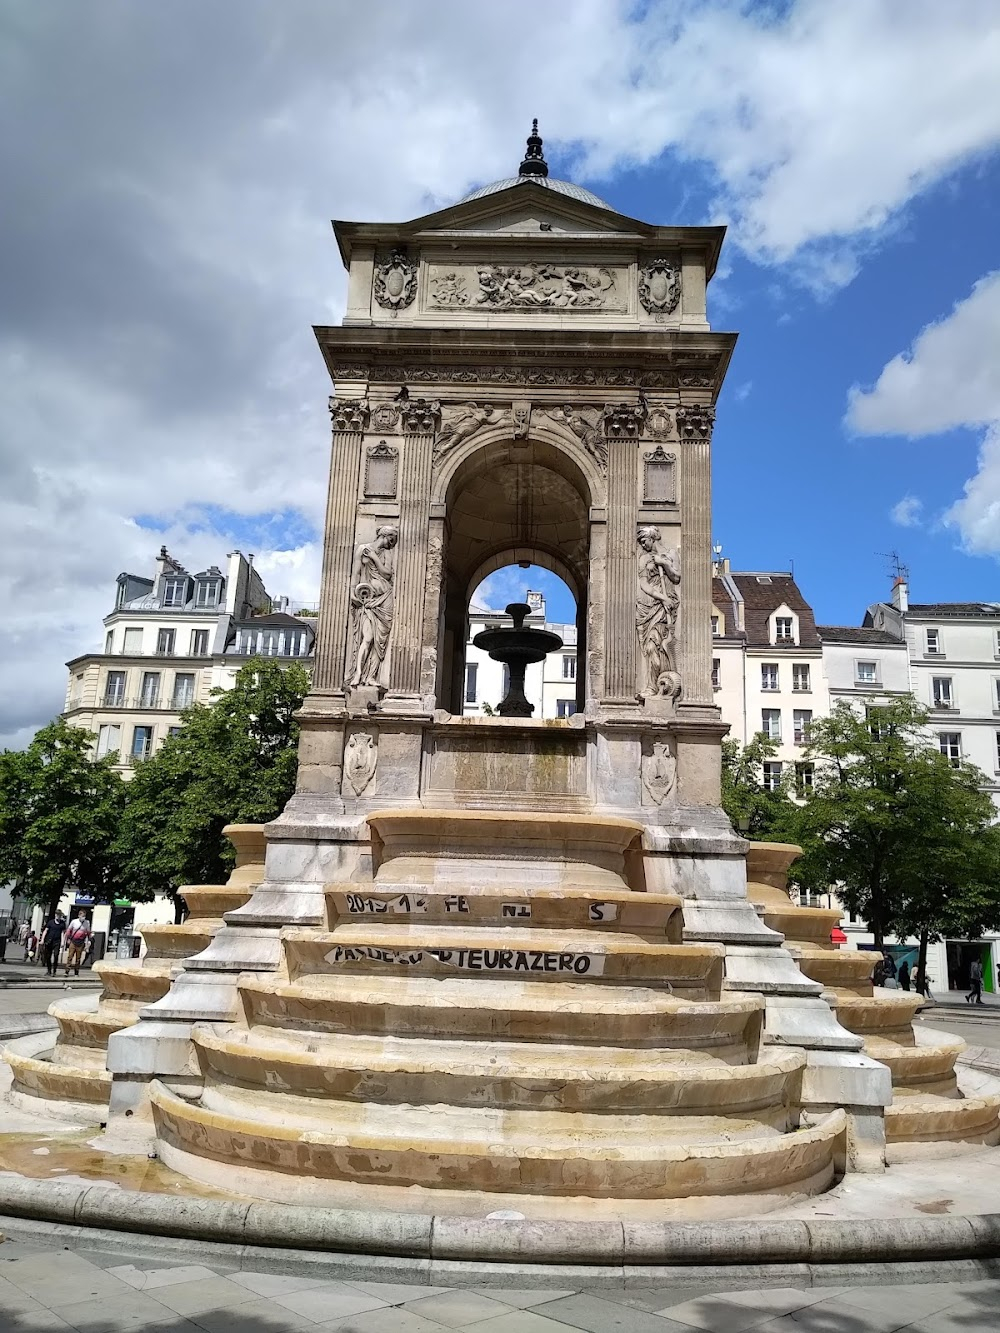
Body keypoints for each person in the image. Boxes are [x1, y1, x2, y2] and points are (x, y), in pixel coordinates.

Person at [39, 912, 66, 977]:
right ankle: (49, 971)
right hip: (49, 941)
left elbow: (62, 933)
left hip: (57, 941)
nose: (57, 916)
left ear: (60, 916)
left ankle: (54, 971)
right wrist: (42, 939)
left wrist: (62, 942)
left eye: (59, 915)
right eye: (56, 915)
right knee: (48, 956)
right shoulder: (51, 922)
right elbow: (46, 930)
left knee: (56, 955)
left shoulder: (62, 923)